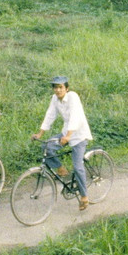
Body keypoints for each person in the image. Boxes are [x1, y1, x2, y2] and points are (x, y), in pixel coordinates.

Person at [31, 76, 93, 210]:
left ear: (67, 88)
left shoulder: (73, 97)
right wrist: (40, 133)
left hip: (79, 135)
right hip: (66, 133)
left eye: (61, 87)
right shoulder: (54, 99)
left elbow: (76, 117)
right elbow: (50, 115)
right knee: (46, 146)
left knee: (77, 167)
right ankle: (60, 168)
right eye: (55, 87)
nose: (58, 90)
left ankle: (84, 197)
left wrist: (69, 135)